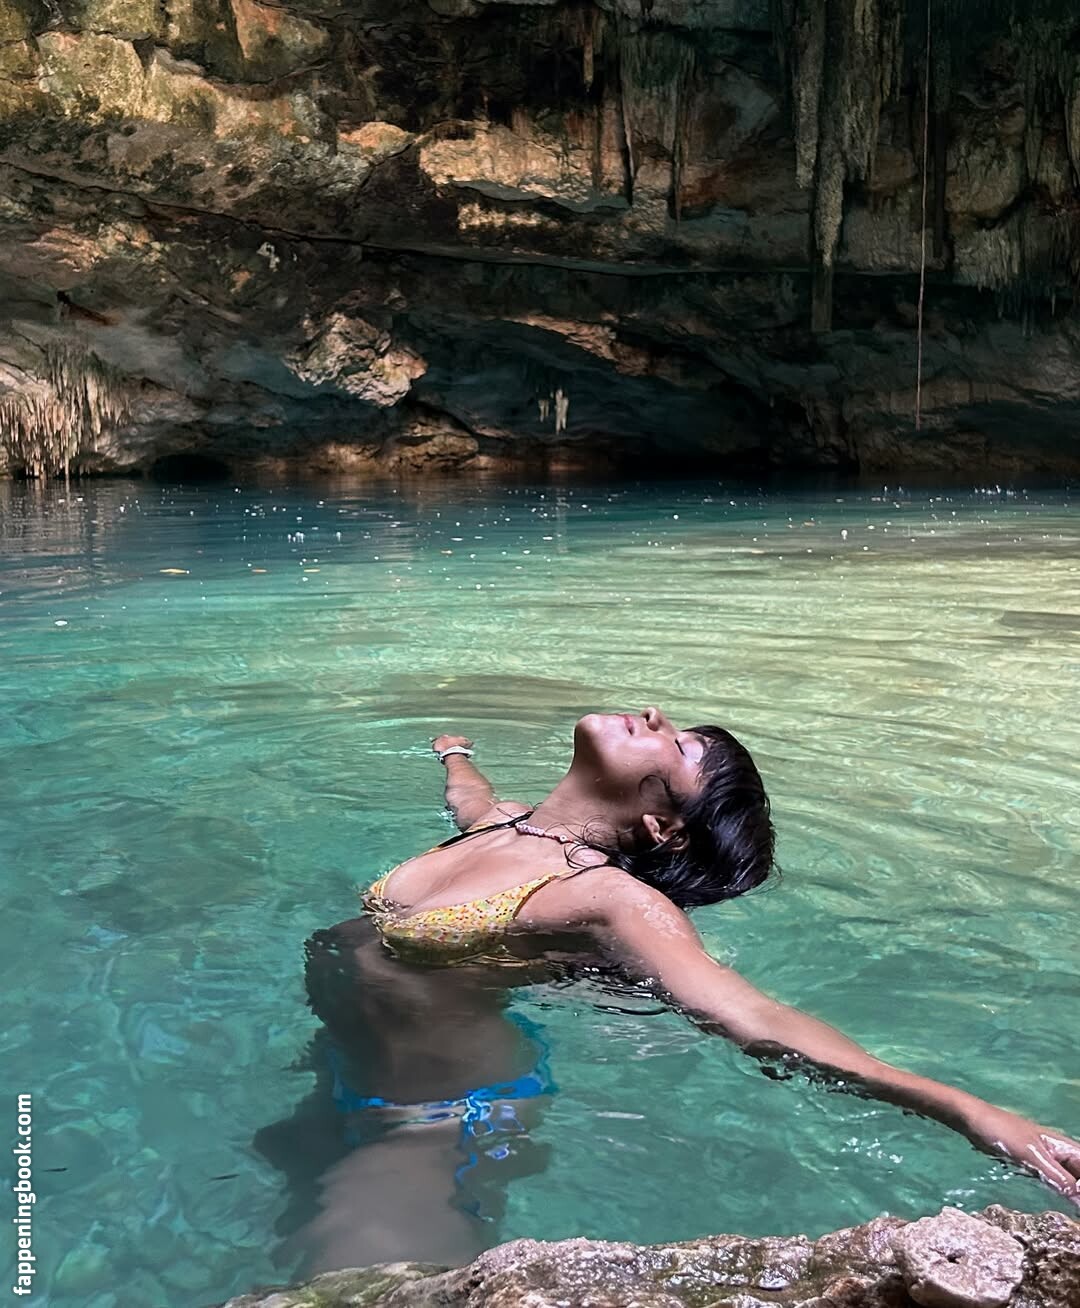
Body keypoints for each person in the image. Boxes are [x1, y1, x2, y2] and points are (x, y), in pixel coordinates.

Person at [289, 708, 1079, 1273]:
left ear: (663, 826)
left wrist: (967, 1109)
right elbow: (468, 796)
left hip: (437, 1121)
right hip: (340, 1068)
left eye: (679, 747)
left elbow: (751, 1015)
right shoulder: (502, 823)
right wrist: (455, 753)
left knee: (353, 1280)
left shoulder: (614, 902)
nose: (655, 716)